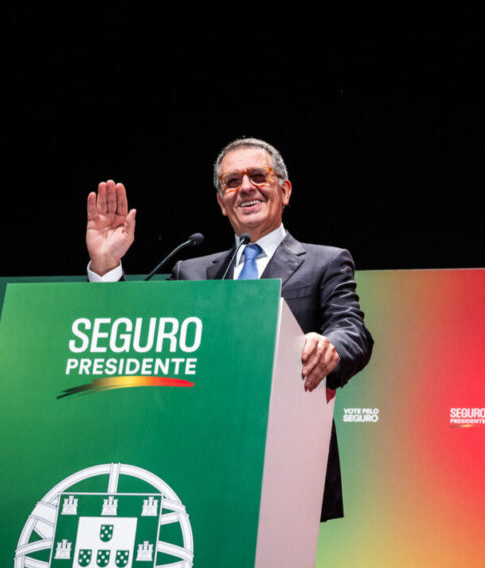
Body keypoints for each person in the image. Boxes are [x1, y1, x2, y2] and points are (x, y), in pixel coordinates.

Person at [85, 137, 373, 521]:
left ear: (284, 190)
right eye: (232, 182)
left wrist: (330, 346)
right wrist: (106, 268)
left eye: (258, 176)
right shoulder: (191, 272)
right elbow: (139, 334)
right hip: (195, 464)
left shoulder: (326, 262)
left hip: (285, 464)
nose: (246, 188)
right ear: (221, 202)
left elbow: (352, 330)